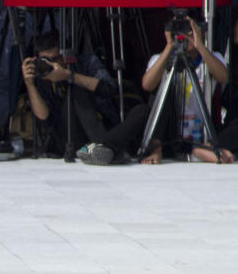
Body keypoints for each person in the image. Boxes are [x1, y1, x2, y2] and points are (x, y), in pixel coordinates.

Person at [78, 14, 231, 165]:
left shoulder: (211, 57)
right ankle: (102, 147)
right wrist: (170, 46)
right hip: (163, 131)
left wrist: (200, 46)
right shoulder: (160, 58)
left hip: (199, 133)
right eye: (179, 30)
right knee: (143, 109)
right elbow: (147, 85)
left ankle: (192, 150)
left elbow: (223, 77)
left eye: (189, 30)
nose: (184, 35)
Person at [21, 30, 119, 158]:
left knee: (76, 89)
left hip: (97, 124)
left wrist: (70, 76)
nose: (50, 64)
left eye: (55, 59)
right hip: (64, 137)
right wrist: (30, 84)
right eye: (45, 60)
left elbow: (109, 89)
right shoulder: (41, 73)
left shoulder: (87, 62)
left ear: (66, 55)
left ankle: (101, 146)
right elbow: (43, 118)